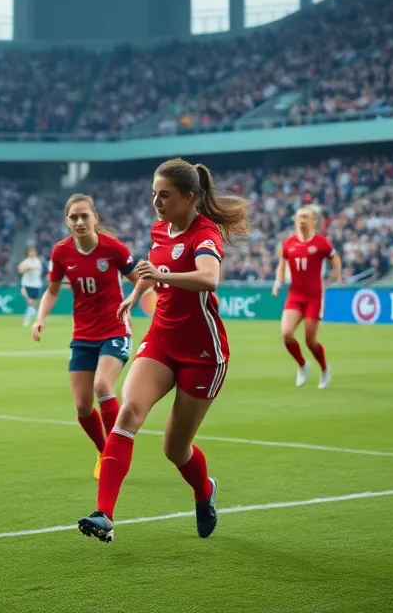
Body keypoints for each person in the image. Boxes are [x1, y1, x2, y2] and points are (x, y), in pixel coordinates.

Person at [77, 159, 249, 543]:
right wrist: (136, 291)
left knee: (175, 448)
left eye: (165, 195)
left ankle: (204, 491)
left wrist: (162, 277)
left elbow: (209, 278)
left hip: (203, 355)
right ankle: (104, 514)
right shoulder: (161, 228)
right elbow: (153, 267)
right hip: (161, 342)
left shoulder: (204, 235)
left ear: (189, 198)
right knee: (128, 412)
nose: (156, 201)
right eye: (154, 193)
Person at [31, 195, 138, 479]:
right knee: (81, 405)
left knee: (103, 385)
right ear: (67, 222)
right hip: (83, 334)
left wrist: (131, 302)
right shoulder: (61, 252)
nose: (79, 222)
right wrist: (40, 318)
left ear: (95, 218)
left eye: (84, 216)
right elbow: (52, 290)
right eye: (73, 217)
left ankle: (118, 454)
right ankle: (104, 451)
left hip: (114, 329)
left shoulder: (113, 249)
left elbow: (139, 280)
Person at [272, 206, 342, 388]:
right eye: (299, 217)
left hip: (314, 297)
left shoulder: (322, 243)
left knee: (310, 341)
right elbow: (282, 264)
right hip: (295, 296)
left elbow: (335, 258)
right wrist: (278, 282)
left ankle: (324, 368)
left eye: (306, 217)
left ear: (314, 221)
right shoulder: (288, 243)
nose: (302, 220)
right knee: (286, 334)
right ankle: (303, 365)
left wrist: (337, 274)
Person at [17, 245, 46, 327]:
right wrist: (25, 269)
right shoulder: (26, 261)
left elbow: (27, 269)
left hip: (36, 285)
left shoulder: (37, 261)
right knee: (30, 301)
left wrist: (27, 269)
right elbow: (20, 269)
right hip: (26, 285)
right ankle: (29, 317)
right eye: (30, 251)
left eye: (33, 251)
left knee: (33, 302)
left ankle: (31, 315)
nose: (32, 253)